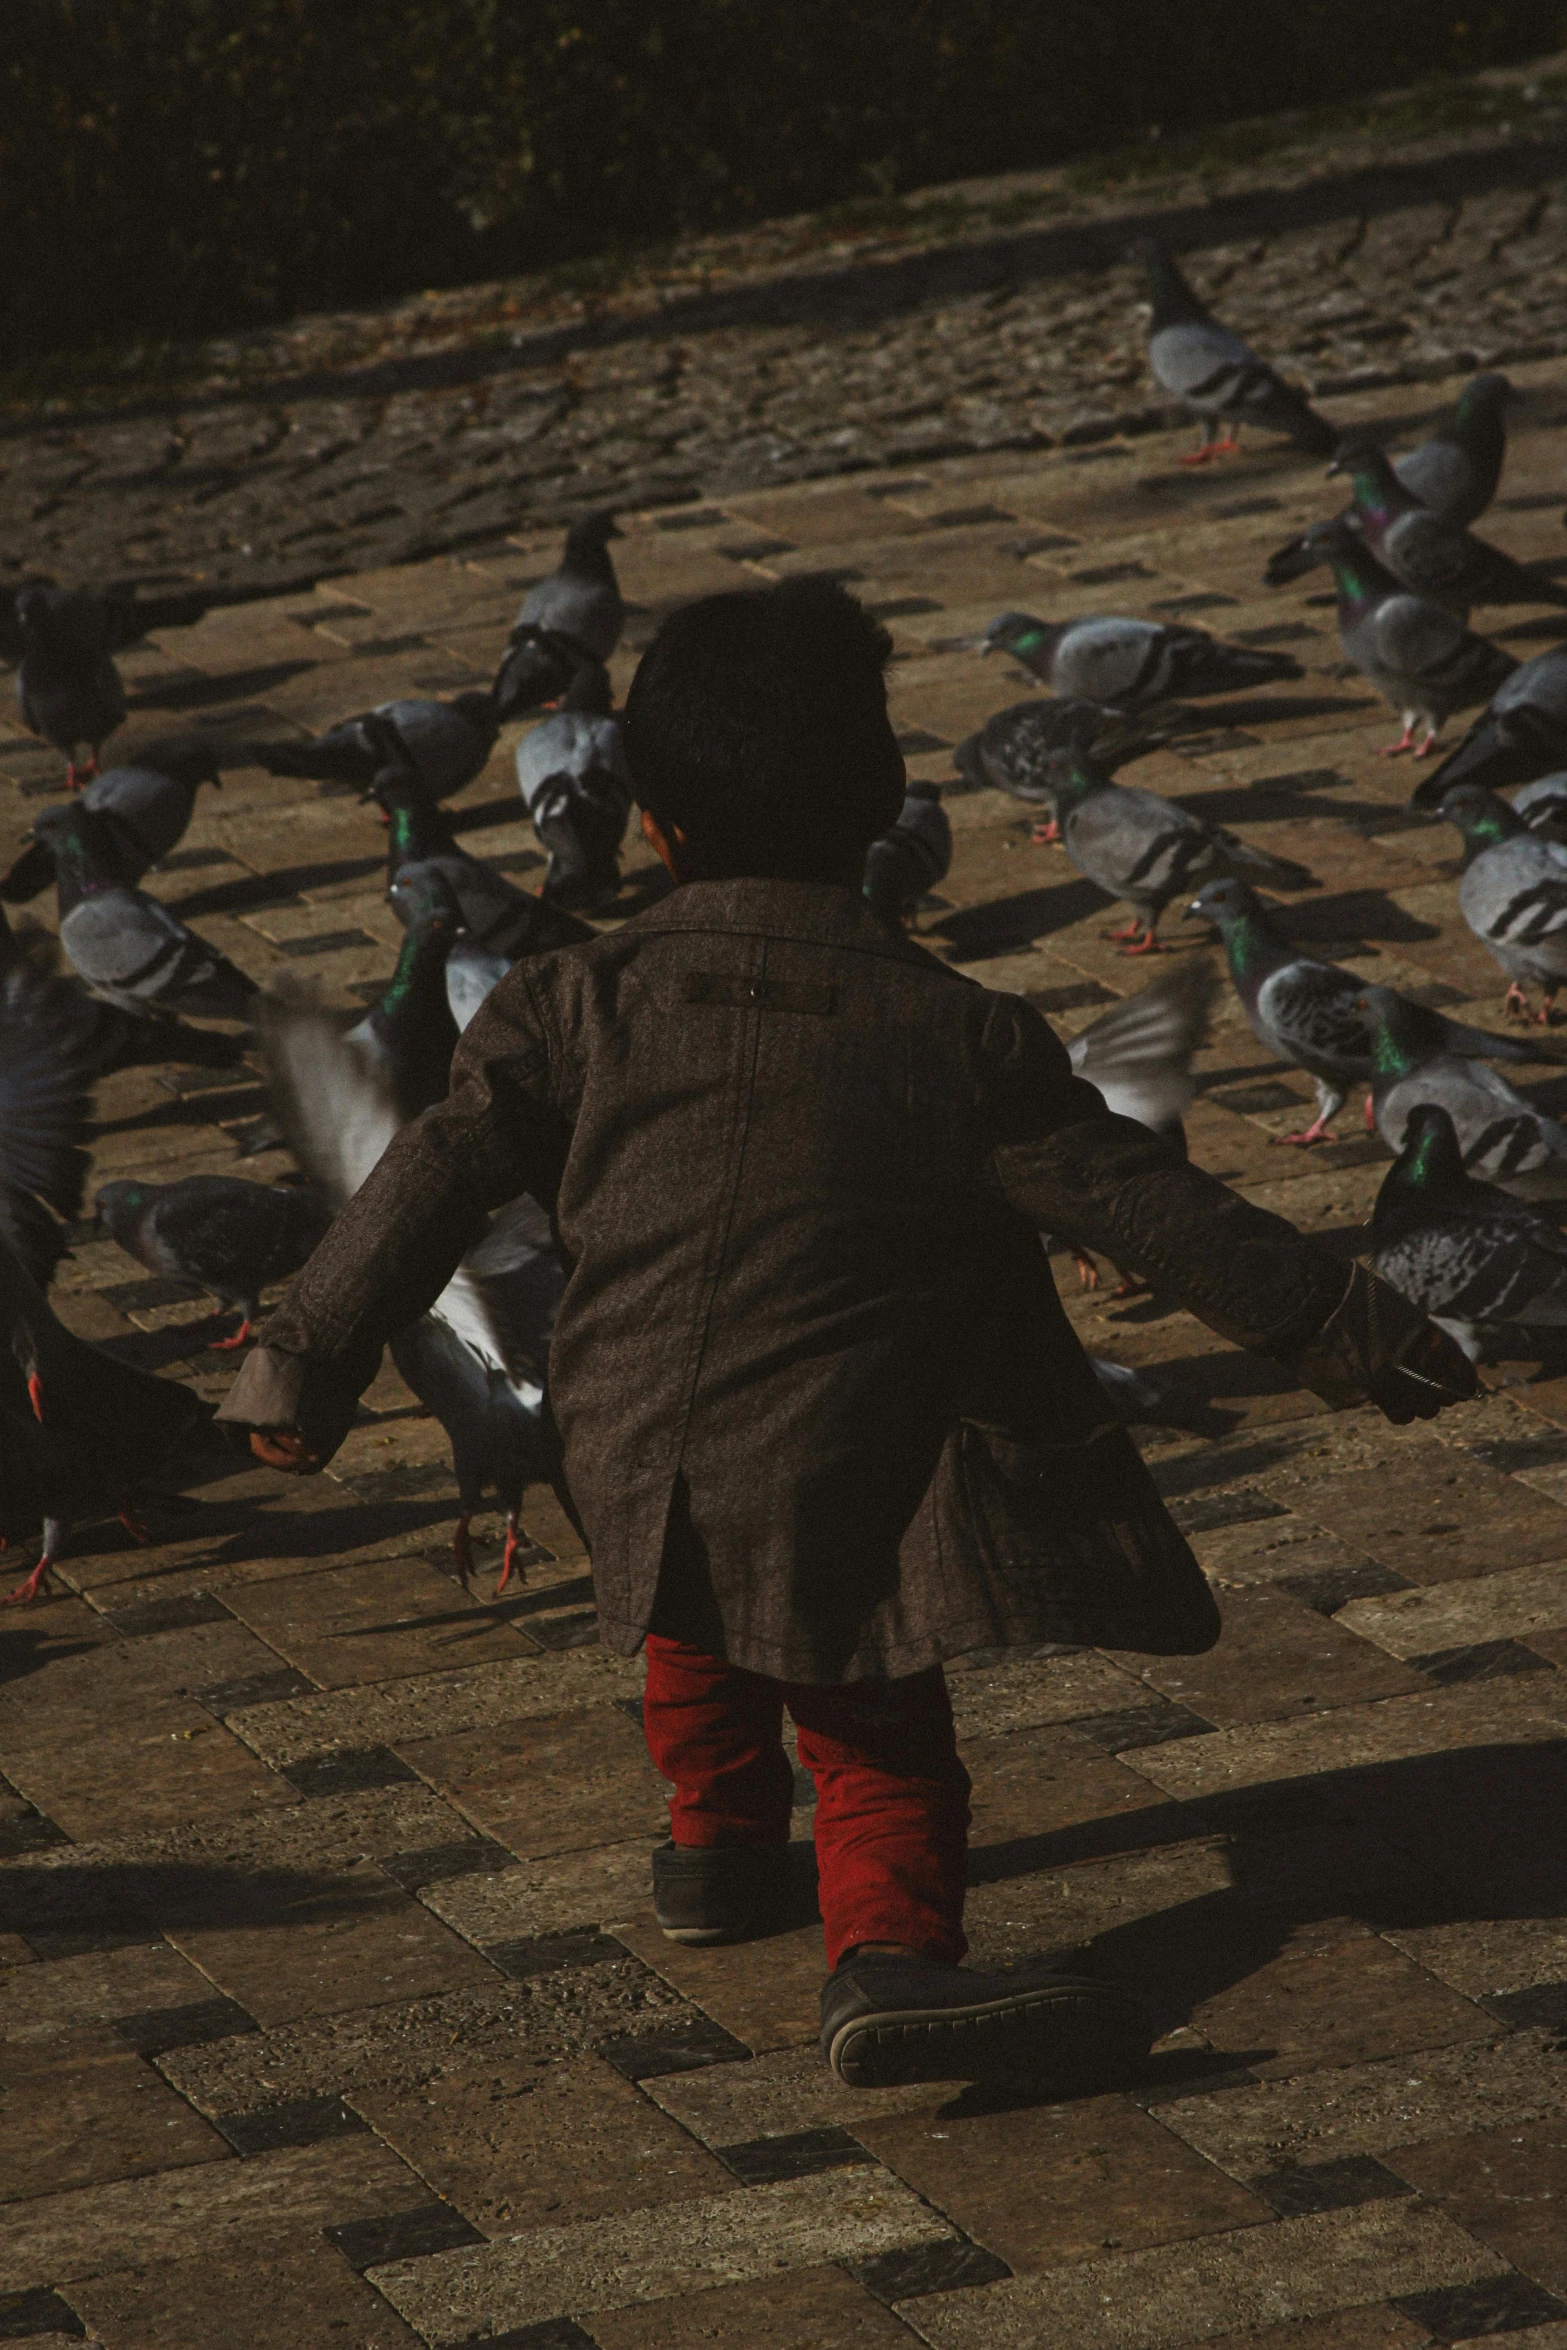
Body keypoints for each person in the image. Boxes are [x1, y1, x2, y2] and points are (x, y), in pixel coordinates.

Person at [217, 578, 1475, 2093]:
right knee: (872, 1712)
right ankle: (885, 1958)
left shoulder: (566, 1001)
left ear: (656, 823)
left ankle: (716, 1847)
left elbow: (419, 1179)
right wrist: (1351, 1325)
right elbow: (1145, 1205)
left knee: (692, 1616)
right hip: (846, 1453)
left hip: (626, 1434)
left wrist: (298, 1364)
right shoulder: (956, 1033)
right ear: (880, 807)